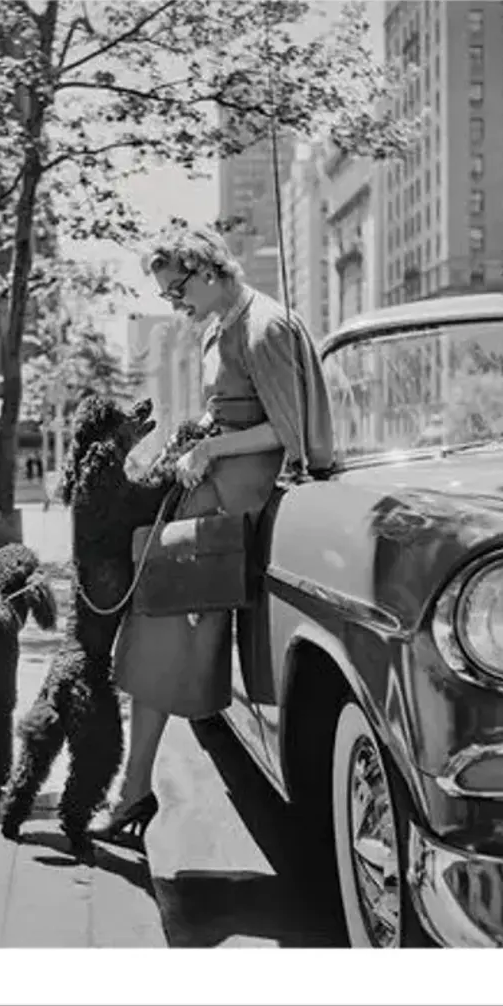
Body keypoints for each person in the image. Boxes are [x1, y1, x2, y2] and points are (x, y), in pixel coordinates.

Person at [90, 225, 335, 846]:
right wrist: (194, 432)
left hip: (235, 514)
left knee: (158, 630)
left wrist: (216, 446)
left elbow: (291, 431)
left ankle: (133, 792)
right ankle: (132, 789)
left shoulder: (266, 327)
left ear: (205, 270)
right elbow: (231, 409)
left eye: (177, 291)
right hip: (212, 502)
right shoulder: (223, 327)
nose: (176, 305)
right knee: (154, 629)